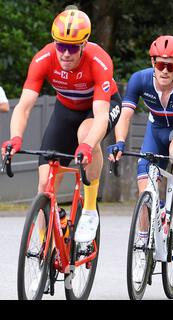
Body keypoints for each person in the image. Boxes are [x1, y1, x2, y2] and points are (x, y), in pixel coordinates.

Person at [1, 8, 122, 243]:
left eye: (73, 47)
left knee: (86, 133)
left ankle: (88, 210)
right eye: (61, 46)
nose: (65, 53)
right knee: (45, 186)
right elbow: (24, 107)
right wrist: (15, 138)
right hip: (65, 111)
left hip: (98, 109)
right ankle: (45, 251)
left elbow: (100, 116)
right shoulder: (43, 59)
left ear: (84, 45)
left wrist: (87, 146)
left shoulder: (99, 61)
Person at [107, 35, 173, 236]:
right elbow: (124, 116)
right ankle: (142, 245)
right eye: (160, 65)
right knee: (145, 193)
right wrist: (120, 142)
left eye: (171, 66)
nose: (165, 71)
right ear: (152, 62)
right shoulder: (139, 79)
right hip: (156, 130)